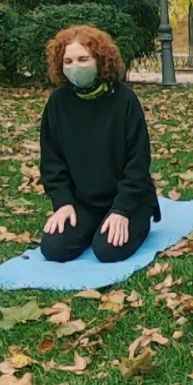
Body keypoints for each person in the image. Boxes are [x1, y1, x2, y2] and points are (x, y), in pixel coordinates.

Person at [38, 25, 160, 263]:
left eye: (83, 59)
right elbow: (52, 162)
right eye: (68, 61)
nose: (75, 67)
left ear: (100, 60)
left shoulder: (124, 100)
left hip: (129, 199)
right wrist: (63, 203)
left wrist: (122, 210)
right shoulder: (57, 103)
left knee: (108, 250)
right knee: (54, 249)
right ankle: (93, 225)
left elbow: (138, 163)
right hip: (83, 202)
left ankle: (135, 221)